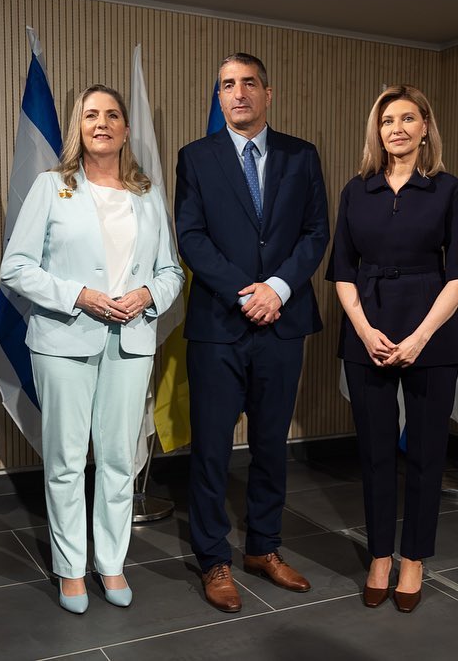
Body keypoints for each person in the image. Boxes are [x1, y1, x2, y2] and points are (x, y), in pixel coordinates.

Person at [1, 84, 184, 614]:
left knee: (119, 460)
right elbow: (15, 267)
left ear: (126, 129)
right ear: (78, 129)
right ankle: (70, 569)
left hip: (131, 340)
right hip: (63, 340)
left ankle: (111, 563)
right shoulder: (50, 187)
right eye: (90, 115)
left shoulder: (148, 194)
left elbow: (171, 272)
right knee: (64, 460)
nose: (101, 123)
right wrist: (79, 295)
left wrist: (148, 294)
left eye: (111, 115)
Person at [174, 52, 329, 613]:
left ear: (268, 93)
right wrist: (247, 292)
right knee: (211, 449)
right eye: (227, 85)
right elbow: (191, 237)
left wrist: (278, 290)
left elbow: (316, 234)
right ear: (219, 97)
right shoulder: (195, 158)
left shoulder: (301, 156)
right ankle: (213, 558)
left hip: (283, 323)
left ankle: (264, 547)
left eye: (248, 83)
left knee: (271, 444)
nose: (237, 93)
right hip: (219, 325)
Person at [327, 85, 458, 613]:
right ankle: (379, 557)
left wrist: (420, 337)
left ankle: (413, 558)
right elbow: (342, 271)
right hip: (366, 328)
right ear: (378, 130)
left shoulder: (447, 189)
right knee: (374, 453)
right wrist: (364, 330)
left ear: (425, 128)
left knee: (426, 453)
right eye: (387, 120)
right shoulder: (356, 190)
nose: (396, 128)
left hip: (430, 331)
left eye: (407, 118)